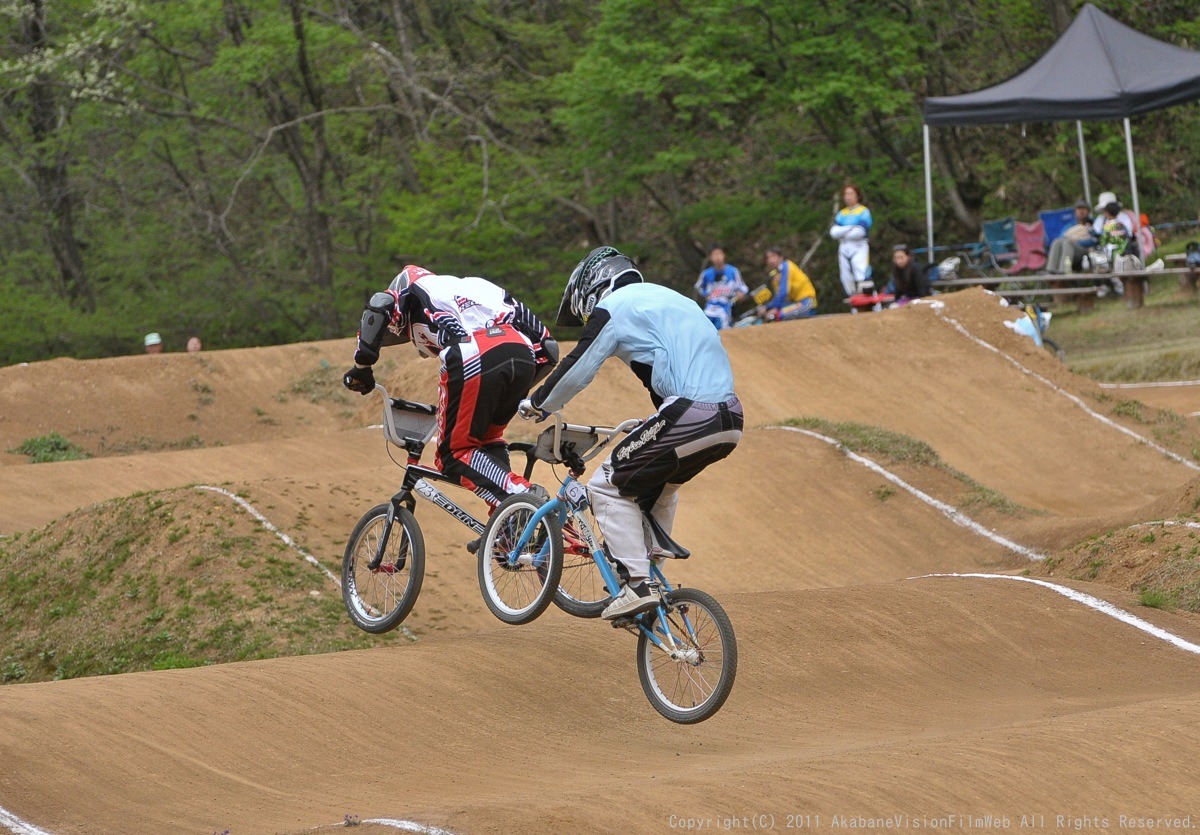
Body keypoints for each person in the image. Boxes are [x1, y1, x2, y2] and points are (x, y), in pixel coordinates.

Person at [518, 246, 743, 620]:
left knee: (606, 486)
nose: (588, 316)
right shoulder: (674, 300)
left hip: (690, 411)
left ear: (592, 288)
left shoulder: (617, 306)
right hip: (730, 418)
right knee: (662, 485)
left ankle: (637, 584)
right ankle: (652, 570)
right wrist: (660, 420)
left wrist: (537, 402)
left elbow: (579, 366)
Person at [343, 265, 559, 546]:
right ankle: (508, 519)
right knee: (487, 440)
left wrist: (362, 366)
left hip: (473, 353)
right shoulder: (479, 287)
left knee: (452, 454)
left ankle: (521, 495)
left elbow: (379, 305)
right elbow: (549, 348)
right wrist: (518, 387)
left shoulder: (413, 288)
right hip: (523, 353)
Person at [829, 183, 873, 297]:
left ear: (857, 196)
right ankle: (854, 302)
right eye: (846, 194)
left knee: (861, 273)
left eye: (851, 194)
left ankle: (872, 303)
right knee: (846, 277)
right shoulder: (841, 213)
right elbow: (833, 232)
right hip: (844, 246)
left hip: (859, 246)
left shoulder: (864, 211)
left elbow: (860, 232)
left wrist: (842, 231)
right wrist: (851, 228)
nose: (848, 197)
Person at [694, 244, 748, 330]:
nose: (717, 257)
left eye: (719, 254)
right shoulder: (706, 274)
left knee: (723, 331)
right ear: (711, 258)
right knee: (706, 329)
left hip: (726, 307)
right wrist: (706, 294)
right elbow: (698, 286)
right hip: (710, 308)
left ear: (724, 255)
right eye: (715, 255)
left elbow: (742, 286)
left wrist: (740, 292)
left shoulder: (733, 271)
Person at [758, 247, 817, 321]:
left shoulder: (786, 266)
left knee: (774, 316)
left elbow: (783, 292)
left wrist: (772, 308)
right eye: (768, 258)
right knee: (769, 314)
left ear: (780, 257)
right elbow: (778, 296)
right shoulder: (775, 275)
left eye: (773, 256)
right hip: (795, 303)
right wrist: (767, 307)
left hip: (806, 302)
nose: (771, 260)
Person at [1046, 200, 1096, 274]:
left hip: (1085, 249)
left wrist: (1078, 240)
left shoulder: (1094, 223)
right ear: (1075, 211)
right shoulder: (1070, 225)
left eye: (1083, 209)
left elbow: (1096, 239)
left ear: (1088, 211)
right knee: (1057, 241)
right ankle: (1051, 270)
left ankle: (1064, 270)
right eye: (1079, 209)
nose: (1081, 211)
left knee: (1068, 243)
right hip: (1069, 248)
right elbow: (1061, 237)